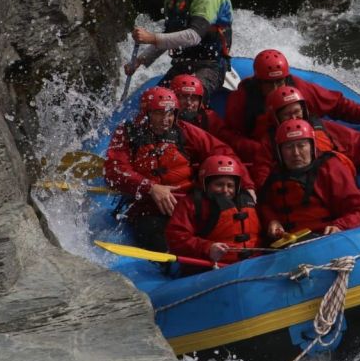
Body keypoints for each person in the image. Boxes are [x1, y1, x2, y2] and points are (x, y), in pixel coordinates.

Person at [104, 86, 252, 251]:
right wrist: (151, 188)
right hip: (149, 207)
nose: (166, 119)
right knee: (160, 240)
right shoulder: (128, 133)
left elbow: (223, 152)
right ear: (146, 113)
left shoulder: (183, 130)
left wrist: (247, 184)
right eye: (159, 113)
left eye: (170, 113)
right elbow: (114, 170)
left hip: (186, 205)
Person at [224, 49, 360, 157]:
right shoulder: (242, 99)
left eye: (279, 82)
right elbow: (231, 135)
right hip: (267, 149)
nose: (276, 88)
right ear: (258, 82)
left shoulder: (299, 88)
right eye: (270, 84)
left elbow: (336, 104)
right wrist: (260, 150)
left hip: (301, 144)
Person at [127, 0, 233, 101]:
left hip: (211, 66)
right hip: (182, 65)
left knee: (184, 101)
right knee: (152, 104)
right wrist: (140, 60)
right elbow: (170, 36)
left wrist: (151, 38)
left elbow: (193, 36)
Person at [249, 85, 360, 187]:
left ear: (304, 111)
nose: (294, 119)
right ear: (276, 117)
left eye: (297, 112)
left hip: (334, 187)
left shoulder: (322, 128)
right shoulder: (269, 142)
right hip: (298, 196)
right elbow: (262, 177)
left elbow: (359, 145)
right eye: (287, 115)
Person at [259, 119, 360, 238]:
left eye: (301, 145)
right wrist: (272, 220)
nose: (296, 153)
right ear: (280, 151)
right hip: (290, 243)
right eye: (289, 147)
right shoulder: (275, 175)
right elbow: (265, 205)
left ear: (312, 146)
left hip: (326, 239)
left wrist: (340, 226)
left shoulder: (330, 168)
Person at [166, 154, 261, 268]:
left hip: (252, 265)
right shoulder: (191, 204)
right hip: (211, 269)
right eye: (219, 185)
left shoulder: (248, 201)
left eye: (230, 185)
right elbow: (176, 237)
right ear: (206, 184)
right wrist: (208, 248)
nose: (225, 190)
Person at [169, 73, 261, 160]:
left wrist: (260, 150)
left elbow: (230, 140)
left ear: (200, 101)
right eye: (183, 97)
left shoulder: (208, 118)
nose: (189, 103)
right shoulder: (164, 120)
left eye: (194, 98)